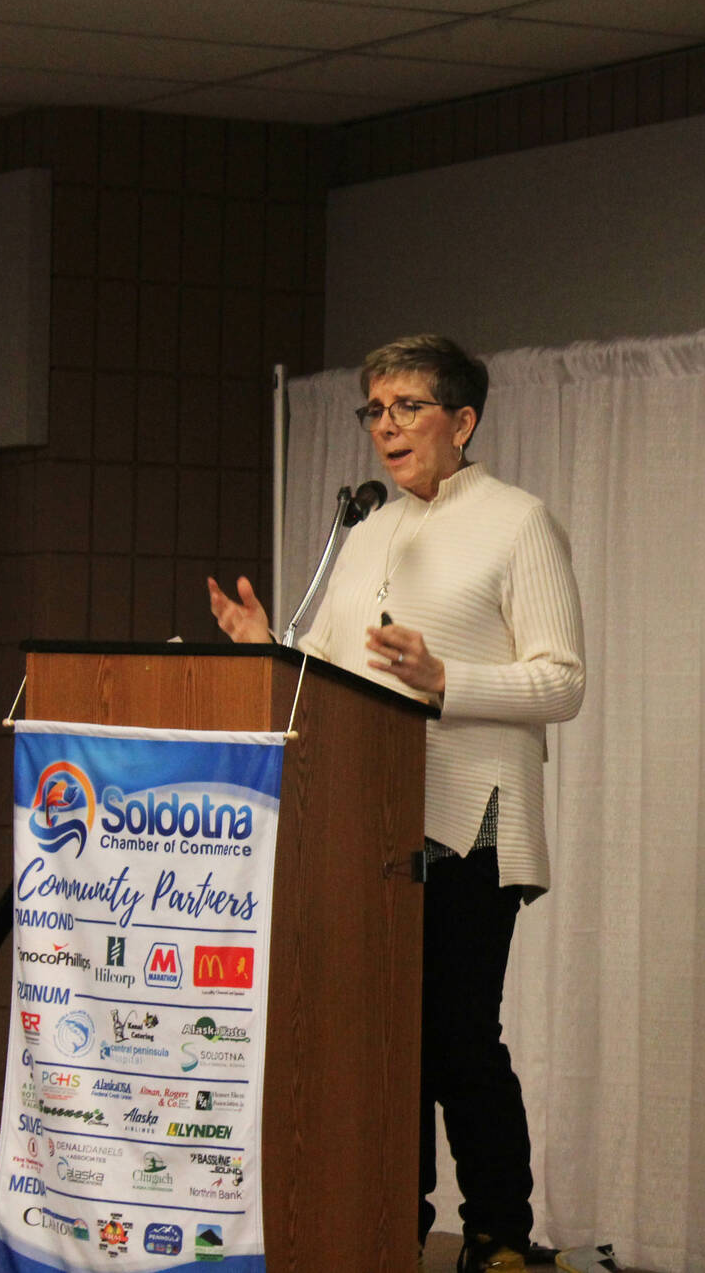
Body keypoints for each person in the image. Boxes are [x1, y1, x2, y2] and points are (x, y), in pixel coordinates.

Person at [208, 334, 584, 1273]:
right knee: (380, 1037)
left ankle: (499, 1232)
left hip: (471, 821)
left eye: (408, 407)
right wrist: (269, 651)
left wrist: (445, 677)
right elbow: (333, 683)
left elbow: (563, 681)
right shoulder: (365, 532)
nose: (387, 426)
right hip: (365, 826)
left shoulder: (517, 522)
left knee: (458, 1037)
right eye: (375, 409)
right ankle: (391, 1219)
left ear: (463, 420)